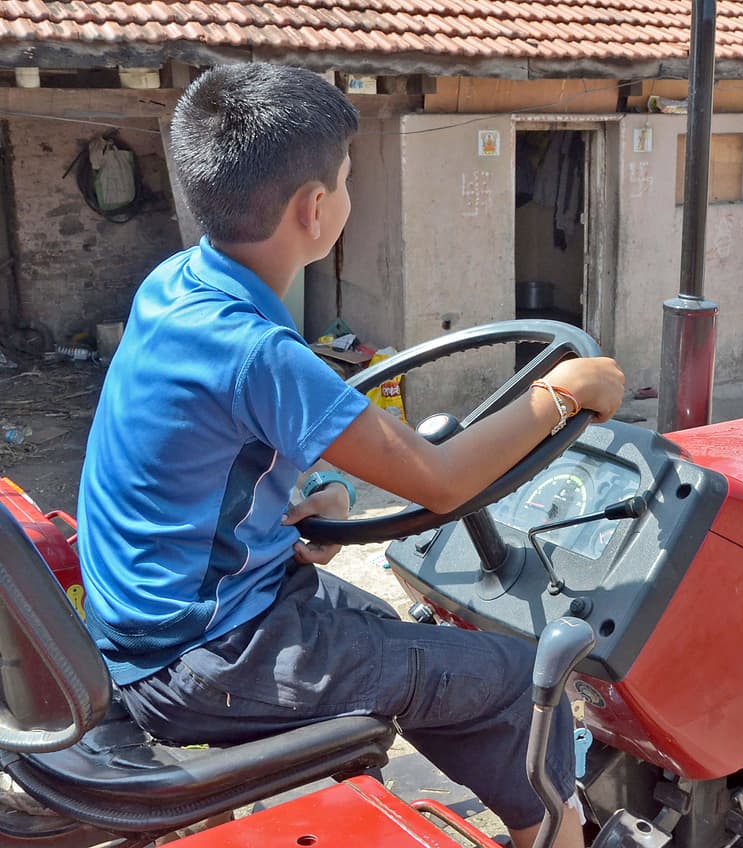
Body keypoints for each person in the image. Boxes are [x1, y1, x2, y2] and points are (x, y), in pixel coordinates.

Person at [76, 63, 624, 848]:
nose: (349, 196)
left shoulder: (177, 285)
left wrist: (294, 509)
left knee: (410, 643)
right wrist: (565, 392)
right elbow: (439, 480)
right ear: (315, 209)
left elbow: (207, 458)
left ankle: (515, 819)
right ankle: (563, 831)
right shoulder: (259, 352)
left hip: (167, 625)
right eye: (348, 179)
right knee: (510, 677)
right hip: (209, 657)